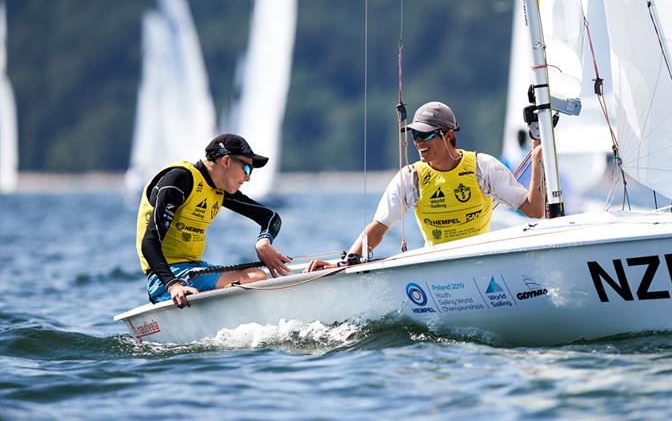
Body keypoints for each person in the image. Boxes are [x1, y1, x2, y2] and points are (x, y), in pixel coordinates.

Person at [306, 101, 545, 271]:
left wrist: (537, 156)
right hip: (436, 267)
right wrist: (347, 262)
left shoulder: (483, 167)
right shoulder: (411, 177)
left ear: (449, 136)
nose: (418, 142)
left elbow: (534, 210)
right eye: (415, 136)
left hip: (477, 263)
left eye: (425, 135)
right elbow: (377, 229)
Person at [136, 133, 292, 308]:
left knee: (259, 275)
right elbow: (149, 242)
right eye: (247, 169)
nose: (248, 177)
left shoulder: (219, 190)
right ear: (226, 161)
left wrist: (263, 242)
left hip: (194, 269)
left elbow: (270, 217)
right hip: (165, 279)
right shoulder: (180, 179)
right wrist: (173, 285)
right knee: (257, 277)